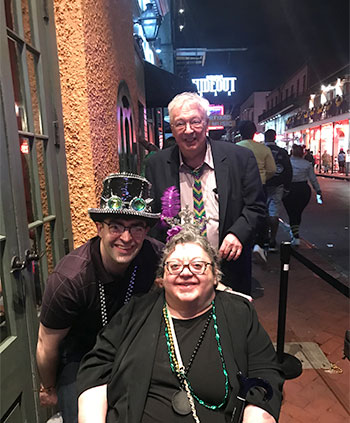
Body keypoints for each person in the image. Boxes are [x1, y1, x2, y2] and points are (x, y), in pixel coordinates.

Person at [77, 227, 284, 423]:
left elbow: (265, 375)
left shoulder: (238, 313)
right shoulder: (135, 311)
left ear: (215, 277)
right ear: (162, 279)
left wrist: (255, 415)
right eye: (174, 266)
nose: (185, 272)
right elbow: (96, 368)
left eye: (197, 265)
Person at [36, 173, 163, 423]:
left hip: (133, 349)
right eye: (116, 226)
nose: (126, 238)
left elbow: (194, 268)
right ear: (99, 228)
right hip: (81, 355)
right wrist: (48, 388)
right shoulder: (70, 279)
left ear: (146, 230)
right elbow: (46, 343)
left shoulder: (156, 255)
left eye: (136, 228)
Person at [145, 92, 266, 295]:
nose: (189, 130)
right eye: (180, 124)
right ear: (172, 130)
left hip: (229, 267)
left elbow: (257, 207)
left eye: (195, 121)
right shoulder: (156, 164)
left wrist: (238, 233)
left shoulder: (240, 158)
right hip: (179, 274)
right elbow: (152, 218)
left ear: (207, 123)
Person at [236, 121, 276, 263]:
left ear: (240, 133)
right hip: (260, 184)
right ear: (254, 132)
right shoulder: (263, 149)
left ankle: (245, 240)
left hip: (240, 185)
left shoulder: (235, 148)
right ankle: (260, 243)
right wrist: (263, 177)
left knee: (241, 212)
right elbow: (272, 169)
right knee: (260, 212)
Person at [283, 145, 323, 246]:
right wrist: (318, 190)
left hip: (290, 189)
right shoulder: (307, 164)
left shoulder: (287, 162)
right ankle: (295, 234)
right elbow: (313, 179)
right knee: (298, 212)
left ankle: (295, 235)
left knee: (291, 212)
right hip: (303, 190)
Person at [264, 129, 293, 252]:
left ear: (265, 138)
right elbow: (288, 170)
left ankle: (263, 237)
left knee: (262, 212)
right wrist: (287, 187)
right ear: (275, 137)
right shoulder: (282, 152)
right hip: (278, 185)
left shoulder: (261, 150)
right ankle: (272, 240)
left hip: (263, 184)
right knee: (273, 212)